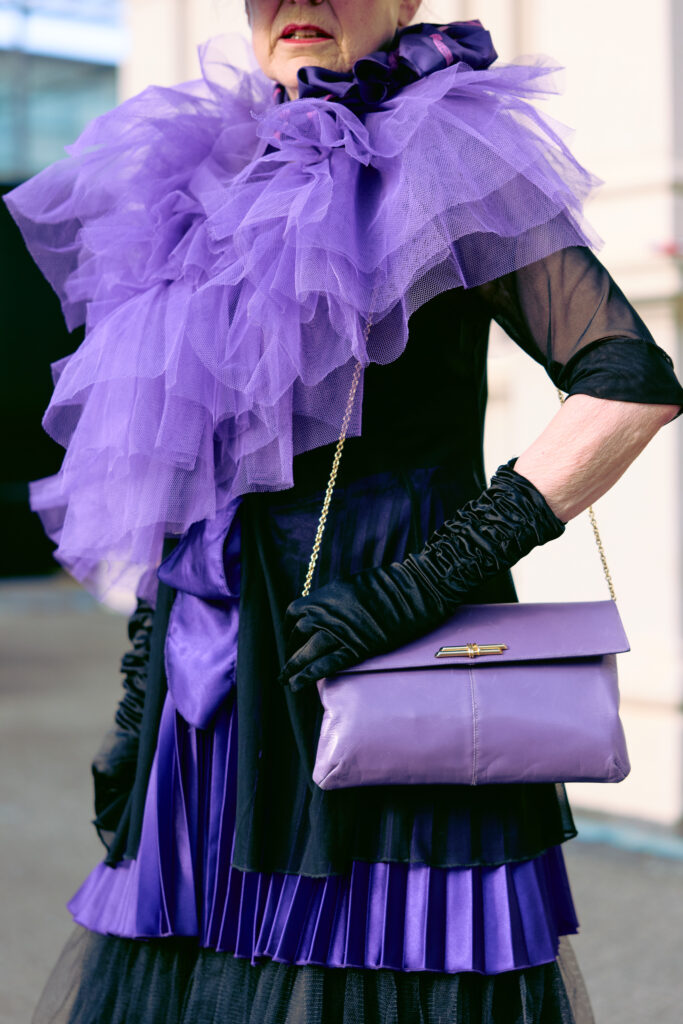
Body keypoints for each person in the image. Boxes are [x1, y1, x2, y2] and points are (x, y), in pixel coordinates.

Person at [6, 3, 683, 1023]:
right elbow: (200, 469)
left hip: (394, 653)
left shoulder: (452, 152)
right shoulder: (202, 175)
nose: (300, 1)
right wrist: (144, 685)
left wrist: (431, 578)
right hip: (219, 683)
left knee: (384, 967)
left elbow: (627, 379)